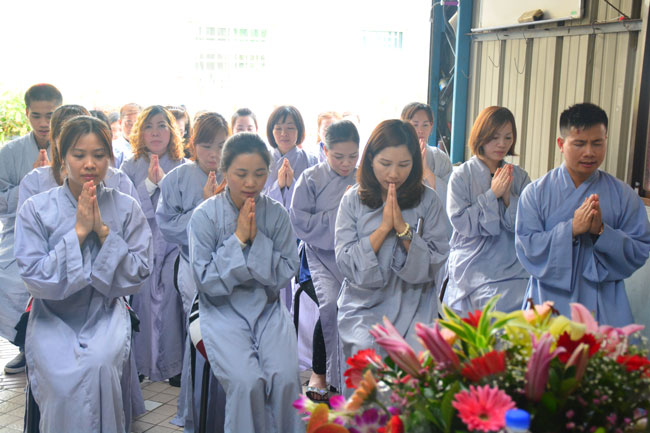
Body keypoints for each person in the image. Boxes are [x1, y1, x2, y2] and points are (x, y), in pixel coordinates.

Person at [14, 116, 152, 432]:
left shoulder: (126, 206)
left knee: (99, 366)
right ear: (62, 157)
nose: (89, 164)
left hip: (105, 312)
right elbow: (33, 276)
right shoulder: (36, 208)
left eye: (99, 155)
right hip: (52, 317)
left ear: (110, 158)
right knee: (61, 386)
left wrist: (103, 232)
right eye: (79, 154)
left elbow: (139, 271)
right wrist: (77, 233)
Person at [188, 132, 302, 432]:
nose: (251, 182)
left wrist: (257, 240)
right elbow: (204, 280)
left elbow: (287, 269)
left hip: (266, 307)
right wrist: (239, 239)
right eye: (241, 174)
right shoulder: (204, 216)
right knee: (247, 382)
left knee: (286, 379)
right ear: (225, 171)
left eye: (260, 174)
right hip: (218, 308)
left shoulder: (276, 214)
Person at [335, 119, 449, 394]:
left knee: (418, 361)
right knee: (365, 354)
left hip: (415, 300)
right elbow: (345, 261)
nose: (394, 174)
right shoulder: (353, 200)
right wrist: (384, 228)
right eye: (385, 164)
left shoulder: (429, 200)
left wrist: (403, 229)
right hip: (363, 304)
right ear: (370, 160)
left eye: (404, 164)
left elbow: (437, 259)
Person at [515, 103, 650, 327]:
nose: (589, 152)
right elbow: (526, 248)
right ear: (561, 144)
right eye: (579, 143)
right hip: (549, 305)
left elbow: (640, 249)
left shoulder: (623, 195)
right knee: (546, 349)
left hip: (603, 305)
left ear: (606, 140)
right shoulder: (535, 193)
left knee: (604, 350)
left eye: (597, 143)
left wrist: (602, 233)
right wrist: (570, 230)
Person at [290, 120, 360, 401]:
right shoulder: (310, 178)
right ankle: (320, 372)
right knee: (331, 304)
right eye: (339, 156)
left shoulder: (363, 177)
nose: (346, 163)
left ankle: (352, 373)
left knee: (358, 305)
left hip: (353, 257)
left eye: (353, 156)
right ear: (324, 150)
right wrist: (341, 212)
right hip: (317, 257)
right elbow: (299, 221)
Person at [121, 105, 186, 384]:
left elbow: (188, 208)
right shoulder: (128, 166)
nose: (155, 132)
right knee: (143, 298)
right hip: (142, 245)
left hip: (173, 246)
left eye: (162, 126)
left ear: (172, 131)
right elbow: (124, 209)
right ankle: (140, 362)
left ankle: (175, 364)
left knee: (172, 296)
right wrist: (148, 185)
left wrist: (165, 188)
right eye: (148, 126)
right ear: (139, 132)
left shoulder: (183, 165)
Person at [0, 83, 62, 375]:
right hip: (19, 232)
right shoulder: (10, 152)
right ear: (26, 114)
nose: (43, 123)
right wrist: (30, 180)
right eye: (36, 115)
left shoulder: (71, 147)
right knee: (9, 278)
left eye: (50, 115)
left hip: (62, 232)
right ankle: (25, 345)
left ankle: (58, 348)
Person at [445, 106, 531, 314]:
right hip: (473, 259)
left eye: (508, 137)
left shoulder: (520, 177)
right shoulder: (461, 175)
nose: (502, 144)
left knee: (529, 302)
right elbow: (461, 222)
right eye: (494, 137)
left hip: (513, 260)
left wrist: (508, 198)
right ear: (480, 136)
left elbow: (530, 221)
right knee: (493, 306)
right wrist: (492, 195)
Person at [18, 105, 139, 212]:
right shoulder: (35, 181)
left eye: (98, 155)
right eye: (67, 134)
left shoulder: (118, 180)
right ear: (54, 139)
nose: (89, 164)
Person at [400, 102, 453, 212]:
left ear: (431, 127)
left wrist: (426, 172)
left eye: (425, 125)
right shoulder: (395, 156)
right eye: (415, 125)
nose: (420, 130)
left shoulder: (440, 158)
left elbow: (451, 198)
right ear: (404, 127)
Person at [264, 105, 318, 209]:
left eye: (290, 128)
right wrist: (278, 185)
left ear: (299, 130)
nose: (284, 133)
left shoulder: (311, 160)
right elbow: (256, 199)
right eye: (278, 128)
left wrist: (292, 185)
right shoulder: (261, 160)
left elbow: (316, 200)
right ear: (271, 131)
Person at [112, 103, 142, 167]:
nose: (133, 127)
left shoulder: (150, 147)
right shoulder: (114, 149)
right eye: (129, 123)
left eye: (137, 124)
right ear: (120, 122)